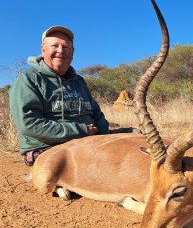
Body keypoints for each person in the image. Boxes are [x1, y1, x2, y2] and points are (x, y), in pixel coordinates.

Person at [9, 25, 138, 166]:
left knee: (138, 135)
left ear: (73, 52)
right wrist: (80, 130)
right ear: (43, 49)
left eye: (65, 47)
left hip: (91, 140)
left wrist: (105, 138)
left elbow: (96, 114)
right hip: (52, 148)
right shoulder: (28, 79)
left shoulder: (79, 81)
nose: (60, 51)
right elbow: (29, 124)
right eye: (55, 46)